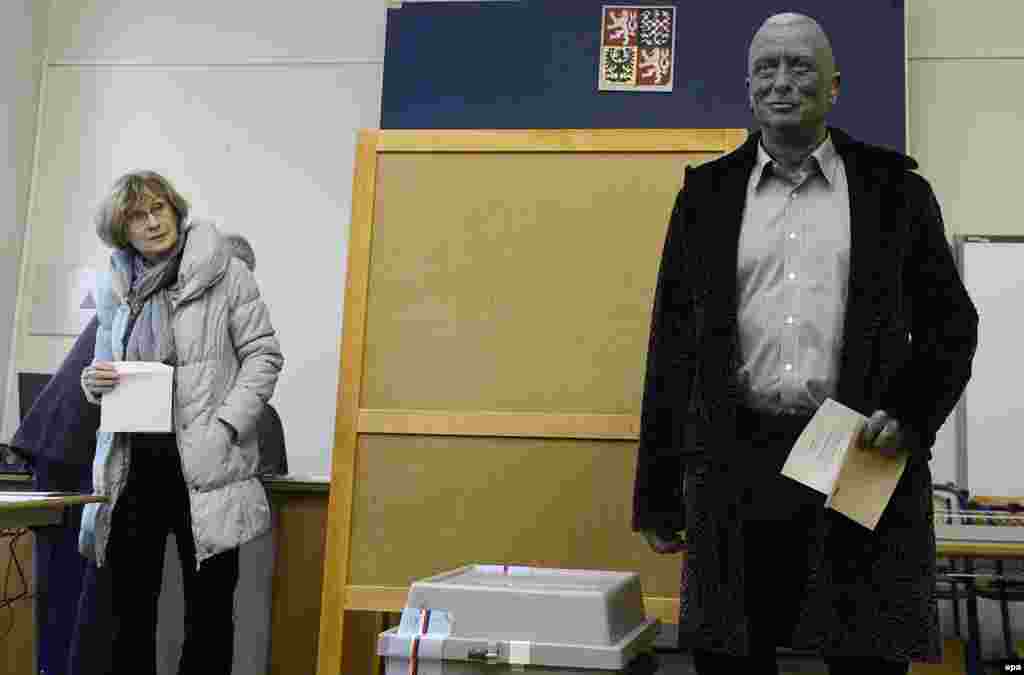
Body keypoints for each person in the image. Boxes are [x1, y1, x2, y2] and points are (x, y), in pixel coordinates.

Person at [632, 12, 978, 675]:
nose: (782, 82)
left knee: (866, 656)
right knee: (730, 655)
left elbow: (950, 325)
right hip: (734, 459)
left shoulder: (894, 190)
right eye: (767, 67)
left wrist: (909, 413)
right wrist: (656, 489)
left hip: (859, 452)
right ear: (749, 85)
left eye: (800, 67)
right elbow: (671, 345)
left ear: (835, 85)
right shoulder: (704, 196)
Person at [79, 170, 284, 674]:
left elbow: (264, 355)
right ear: (122, 231)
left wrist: (227, 426)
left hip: (207, 463)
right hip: (134, 464)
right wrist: (93, 382)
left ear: (176, 210)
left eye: (159, 210)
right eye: (137, 217)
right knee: (128, 614)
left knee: (210, 613)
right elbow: (106, 362)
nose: (152, 223)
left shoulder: (225, 271)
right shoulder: (116, 284)